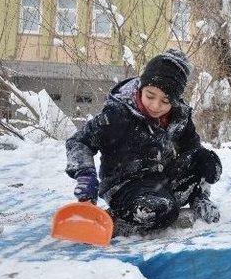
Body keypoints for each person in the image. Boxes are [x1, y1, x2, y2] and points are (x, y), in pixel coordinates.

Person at [65, 49, 222, 237]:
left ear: (175, 100)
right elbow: (79, 142)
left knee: (206, 160)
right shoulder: (117, 115)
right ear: (141, 87)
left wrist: (202, 160)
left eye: (165, 101)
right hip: (126, 185)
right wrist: (85, 174)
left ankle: (198, 197)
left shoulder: (179, 117)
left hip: (163, 179)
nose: (155, 106)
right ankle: (116, 221)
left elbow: (191, 148)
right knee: (162, 210)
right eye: (150, 96)